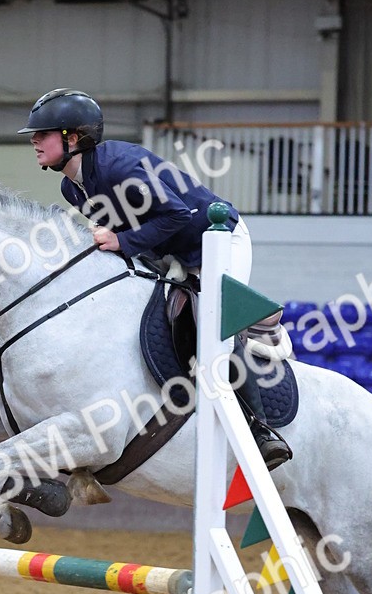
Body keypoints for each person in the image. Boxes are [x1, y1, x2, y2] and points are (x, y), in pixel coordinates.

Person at [18, 88, 292, 470]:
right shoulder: (71, 188)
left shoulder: (120, 167)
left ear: (73, 138)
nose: (34, 140)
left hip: (216, 240)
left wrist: (121, 240)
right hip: (172, 253)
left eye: (42, 133)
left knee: (214, 330)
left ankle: (261, 432)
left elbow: (176, 214)